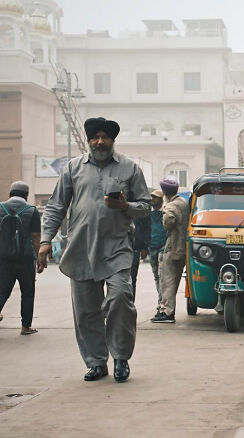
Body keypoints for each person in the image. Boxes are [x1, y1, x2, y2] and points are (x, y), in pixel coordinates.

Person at [38, 117, 150, 382]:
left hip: (118, 246)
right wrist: (45, 240)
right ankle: (96, 362)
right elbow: (56, 206)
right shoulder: (73, 168)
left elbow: (145, 206)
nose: (100, 141)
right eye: (95, 137)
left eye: (105, 137)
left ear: (113, 140)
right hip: (80, 246)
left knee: (121, 298)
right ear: (89, 140)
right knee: (86, 309)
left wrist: (125, 207)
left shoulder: (130, 168)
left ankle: (121, 357)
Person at [0, 181, 41, 335]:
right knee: (28, 292)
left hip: (3, 258)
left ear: (10, 194)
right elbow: (36, 236)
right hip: (25, 260)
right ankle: (25, 327)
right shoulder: (31, 210)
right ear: (27, 195)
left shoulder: (0, 207)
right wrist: (40, 259)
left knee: (2, 290)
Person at [151, 179, 189, 323]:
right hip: (184, 247)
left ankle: (167, 312)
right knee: (175, 279)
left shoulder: (171, 206)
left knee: (167, 281)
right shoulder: (184, 203)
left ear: (165, 193)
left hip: (172, 248)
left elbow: (168, 222)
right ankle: (167, 310)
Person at [148, 189, 167, 305]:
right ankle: (161, 300)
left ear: (160, 200)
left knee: (162, 277)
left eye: (155, 197)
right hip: (151, 248)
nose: (152, 199)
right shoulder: (148, 214)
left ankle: (162, 302)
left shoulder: (165, 212)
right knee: (156, 276)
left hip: (162, 248)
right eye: (152, 197)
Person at [129, 213, 151, 300]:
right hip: (114, 248)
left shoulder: (137, 205)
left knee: (132, 279)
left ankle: (130, 305)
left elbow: (146, 227)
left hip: (134, 247)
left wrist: (144, 247)